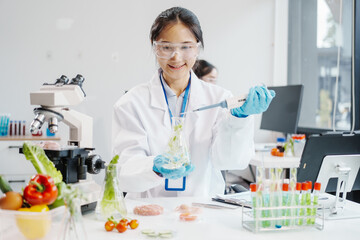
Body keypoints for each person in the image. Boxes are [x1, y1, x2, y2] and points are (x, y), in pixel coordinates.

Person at [112, 7, 275, 198]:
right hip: (148, 213)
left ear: (197, 47)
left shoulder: (219, 99)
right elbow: (123, 172)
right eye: (166, 47)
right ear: (154, 46)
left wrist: (239, 120)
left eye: (186, 47)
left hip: (202, 211)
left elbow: (230, 161)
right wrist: (153, 167)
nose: (176, 57)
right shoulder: (131, 103)